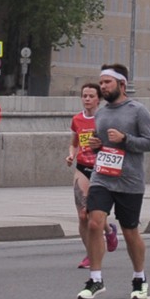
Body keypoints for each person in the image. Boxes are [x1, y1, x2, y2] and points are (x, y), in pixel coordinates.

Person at [78, 66, 150, 299]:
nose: (102, 87)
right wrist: (97, 145)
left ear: (121, 85)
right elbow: (103, 143)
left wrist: (125, 139)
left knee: (130, 231)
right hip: (102, 176)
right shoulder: (101, 113)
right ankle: (95, 279)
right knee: (93, 222)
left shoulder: (137, 111)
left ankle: (139, 277)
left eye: (107, 83)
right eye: (101, 83)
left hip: (129, 180)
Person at [67, 81, 110, 268]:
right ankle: (90, 254)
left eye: (91, 96)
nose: (87, 99)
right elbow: (74, 142)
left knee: (95, 213)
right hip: (83, 167)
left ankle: (109, 230)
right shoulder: (77, 119)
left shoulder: (105, 118)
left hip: (101, 169)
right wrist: (71, 154)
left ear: (98, 99)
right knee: (82, 215)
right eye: (84, 96)